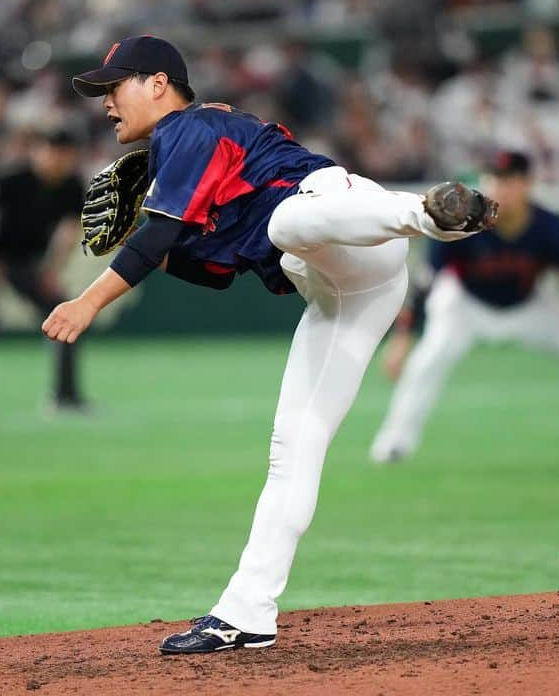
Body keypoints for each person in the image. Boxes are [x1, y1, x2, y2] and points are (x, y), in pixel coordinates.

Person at [41, 35, 497, 654]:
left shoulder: (190, 128)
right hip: (352, 290)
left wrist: (87, 300)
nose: (105, 103)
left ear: (157, 83)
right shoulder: (186, 164)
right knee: (293, 447)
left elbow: (158, 238)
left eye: (113, 86)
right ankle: (247, 613)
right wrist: (159, 232)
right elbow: (204, 261)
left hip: (346, 217)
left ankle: (430, 214)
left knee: (286, 223)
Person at [370, 150, 559, 466]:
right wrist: (402, 339)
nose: (499, 189)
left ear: (527, 185)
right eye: (493, 180)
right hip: (465, 305)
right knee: (427, 361)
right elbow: (425, 284)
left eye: (508, 181)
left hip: (529, 305)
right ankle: (395, 443)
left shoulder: (551, 228)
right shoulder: (462, 220)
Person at [0, 124, 86, 421]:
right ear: (39, 151)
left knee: (66, 313)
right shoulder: (8, 178)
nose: (59, 160)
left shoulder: (72, 186)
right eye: (54, 152)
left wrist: (52, 271)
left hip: (24, 262)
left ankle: (65, 397)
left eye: (66, 155)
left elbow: (70, 231)